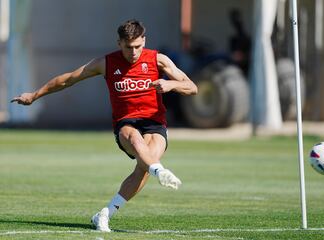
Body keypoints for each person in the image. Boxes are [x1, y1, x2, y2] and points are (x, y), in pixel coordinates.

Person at [11, 19, 198, 232]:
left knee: (144, 167)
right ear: (119, 43)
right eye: (129, 47)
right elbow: (68, 79)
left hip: (155, 123)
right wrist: (34, 95)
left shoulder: (158, 60)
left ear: (144, 40)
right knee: (137, 142)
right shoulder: (106, 63)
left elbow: (192, 87)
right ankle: (160, 171)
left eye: (138, 46)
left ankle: (106, 213)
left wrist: (171, 84)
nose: (134, 52)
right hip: (126, 122)